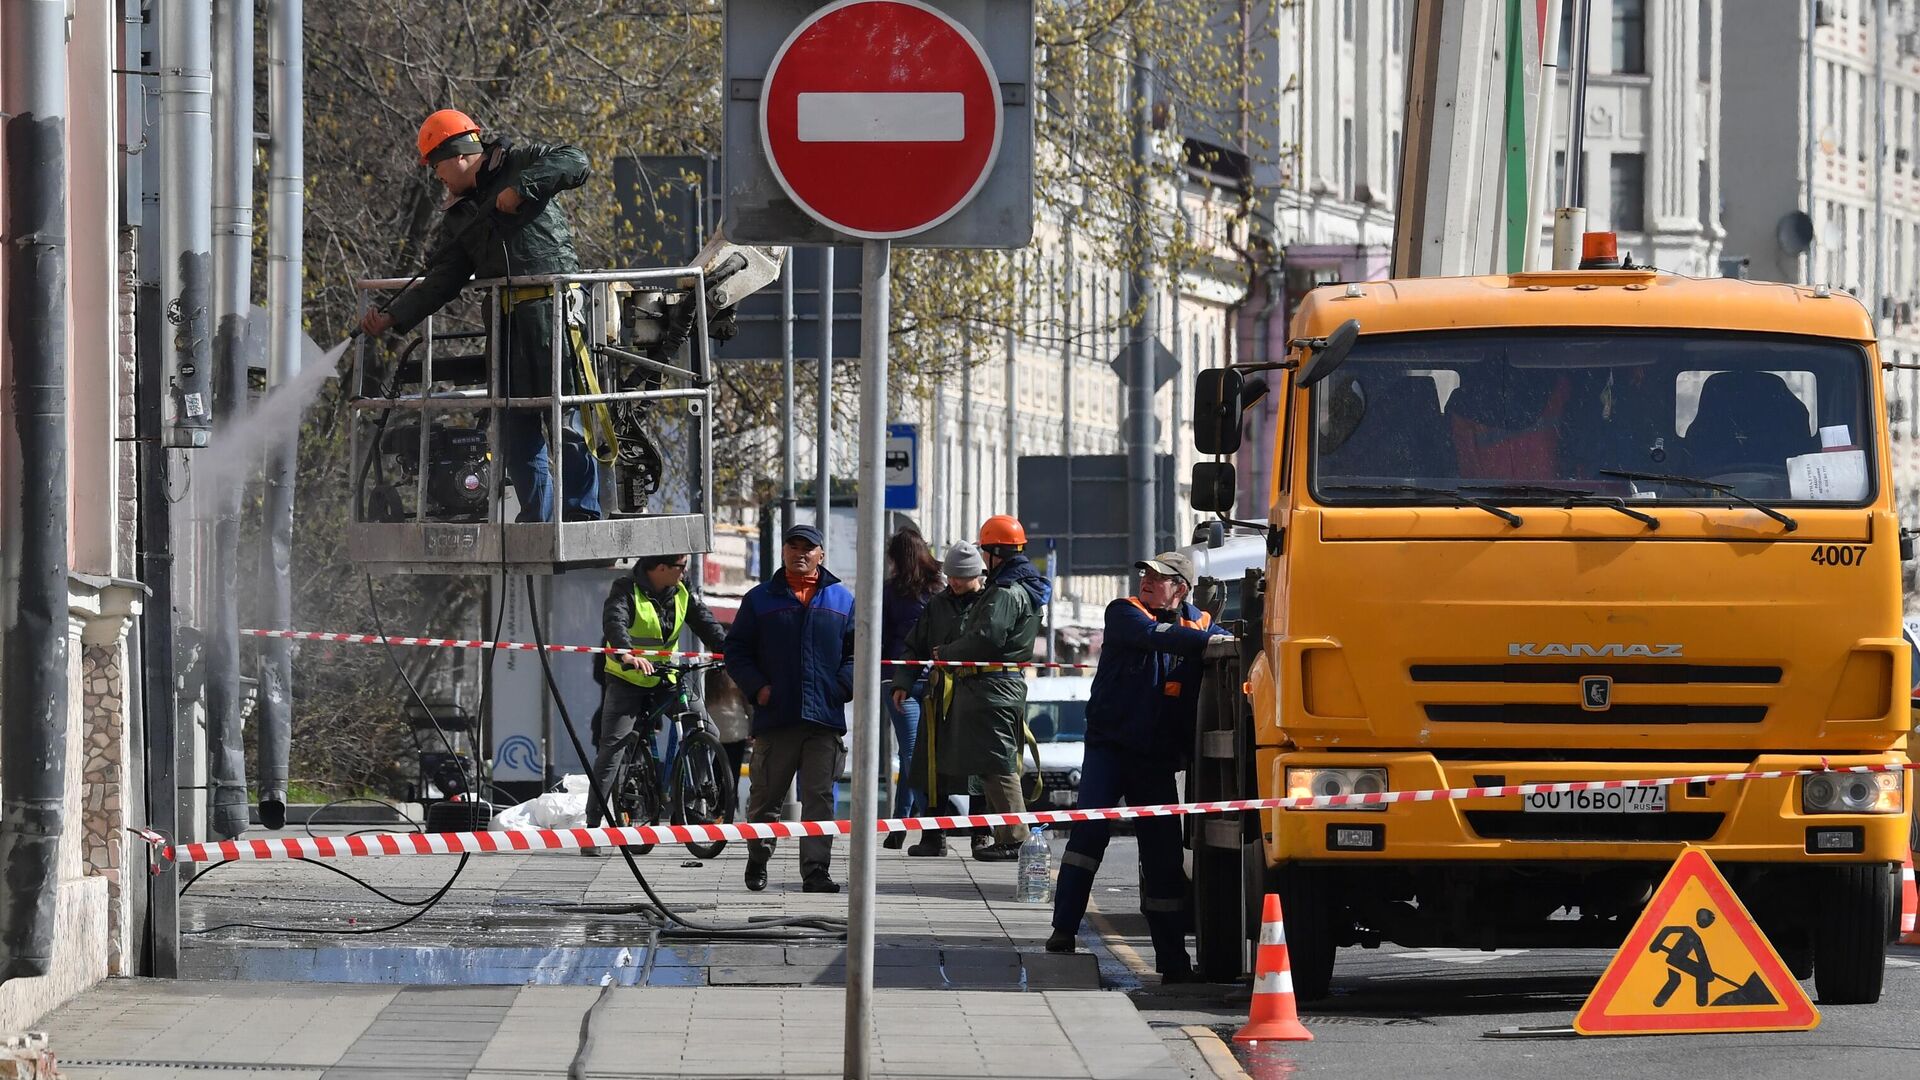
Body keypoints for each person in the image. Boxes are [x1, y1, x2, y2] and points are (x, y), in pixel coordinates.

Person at [360, 109, 603, 523]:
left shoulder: (519, 163)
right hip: (507, 323)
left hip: (555, 312)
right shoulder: (459, 216)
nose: (437, 177)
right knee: (513, 425)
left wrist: (522, 189)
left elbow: (576, 161)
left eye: (435, 167)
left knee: (564, 417)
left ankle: (582, 513)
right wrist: (392, 316)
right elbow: (443, 276)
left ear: (455, 155)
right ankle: (538, 517)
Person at [1048, 550, 1229, 983]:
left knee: (1163, 857)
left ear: (1181, 588)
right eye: (1145, 573)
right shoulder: (1124, 612)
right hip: (1110, 750)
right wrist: (1211, 641)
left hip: (1155, 759)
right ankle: (1063, 931)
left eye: (1158, 577)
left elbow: (1219, 639)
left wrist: (1220, 639)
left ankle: (1172, 963)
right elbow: (1161, 637)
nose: (1146, 580)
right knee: (1086, 838)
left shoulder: (1200, 624)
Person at [724, 523, 856, 893]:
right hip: (777, 717)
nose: (800, 553)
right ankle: (758, 859)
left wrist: (842, 686)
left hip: (823, 720)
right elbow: (736, 651)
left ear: (821, 555)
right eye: (793, 546)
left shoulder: (842, 600)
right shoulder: (760, 599)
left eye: (808, 548)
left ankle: (816, 871)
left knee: (819, 799)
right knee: (766, 796)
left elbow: (856, 652)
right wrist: (759, 688)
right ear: (783, 552)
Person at [582, 554, 728, 854]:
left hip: (665, 675)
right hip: (627, 677)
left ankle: (690, 805)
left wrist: (728, 649)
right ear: (660, 568)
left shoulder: (682, 589)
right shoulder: (625, 590)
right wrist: (626, 654)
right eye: (681, 566)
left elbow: (705, 622)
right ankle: (592, 827)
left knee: (706, 729)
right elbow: (615, 622)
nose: (685, 571)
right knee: (613, 746)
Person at [936, 515, 1051, 861]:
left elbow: (987, 637)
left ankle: (1014, 838)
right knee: (992, 762)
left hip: (993, 689)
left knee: (998, 764)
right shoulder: (1021, 587)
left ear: (996, 554)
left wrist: (948, 653)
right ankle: (1006, 835)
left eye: (985, 551)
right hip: (999, 687)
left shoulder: (1005, 592)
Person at [890, 541, 989, 857]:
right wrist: (902, 682)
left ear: (976, 574)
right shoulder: (937, 605)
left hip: (977, 699)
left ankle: (982, 833)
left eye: (961, 576)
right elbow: (913, 646)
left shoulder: (990, 603)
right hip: (939, 698)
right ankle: (934, 836)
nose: (955, 582)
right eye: (951, 576)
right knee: (932, 767)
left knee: (978, 769)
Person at [880, 527, 942, 847]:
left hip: (895, 679)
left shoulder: (888, 594)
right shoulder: (939, 590)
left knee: (911, 753)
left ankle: (912, 827)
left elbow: (878, 636)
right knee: (913, 752)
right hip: (931, 679)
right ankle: (923, 826)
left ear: (895, 557)